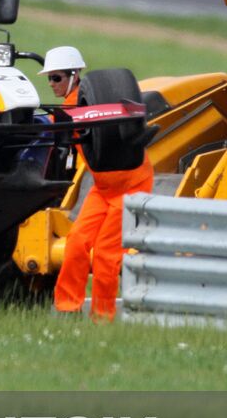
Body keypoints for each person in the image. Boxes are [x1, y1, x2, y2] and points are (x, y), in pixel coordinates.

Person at [41, 46, 154, 322]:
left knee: (106, 253)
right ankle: (67, 308)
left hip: (131, 184)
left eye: (56, 78)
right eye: (49, 79)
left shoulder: (97, 102)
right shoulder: (65, 112)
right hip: (102, 188)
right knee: (77, 242)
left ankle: (102, 317)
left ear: (74, 75)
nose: (52, 84)